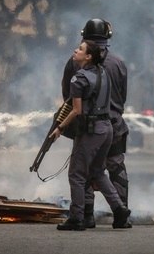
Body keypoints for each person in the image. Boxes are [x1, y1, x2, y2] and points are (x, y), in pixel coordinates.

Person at [50, 39, 131, 231]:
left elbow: (75, 110)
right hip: (108, 129)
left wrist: (60, 128)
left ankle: (77, 218)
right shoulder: (103, 74)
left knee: (77, 174)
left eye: (80, 49)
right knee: (97, 172)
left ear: (88, 56)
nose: (75, 50)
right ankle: (120, 210)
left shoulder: (79, 78)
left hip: (91, 131)